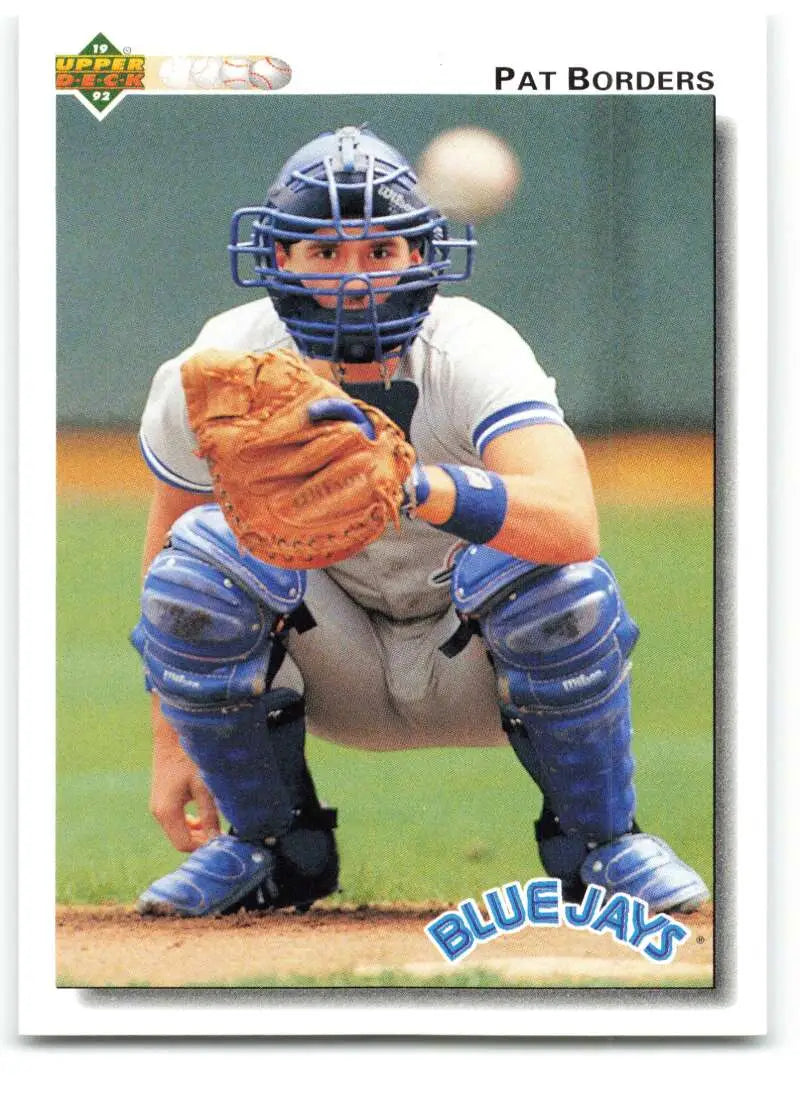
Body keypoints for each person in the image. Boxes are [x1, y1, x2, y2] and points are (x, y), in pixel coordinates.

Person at [131, 124, 708, 917]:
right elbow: (168, 556)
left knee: (555, 578)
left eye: (379, 251)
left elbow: (572, 522)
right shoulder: (226, 363)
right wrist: (174, 739)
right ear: (280, 259)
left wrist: (413, 484)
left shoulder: (471, 347)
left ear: (419, 255)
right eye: (325, 253)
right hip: (327, 656)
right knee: (199, 559)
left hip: (476, 655)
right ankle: (269, 846)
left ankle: (603, 843)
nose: (355, 279)